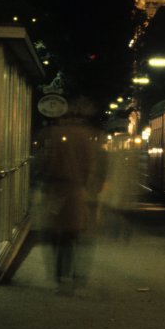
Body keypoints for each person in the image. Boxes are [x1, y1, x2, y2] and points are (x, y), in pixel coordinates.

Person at [36, 96, 105, 289]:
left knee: (56, 233)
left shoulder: (52, 133)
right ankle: (75, 273)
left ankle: (59, 272)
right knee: (74, 234)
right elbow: (92, 165)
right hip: (77, 190)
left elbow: (43, 162)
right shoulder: (87, 135)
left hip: (55, 190)